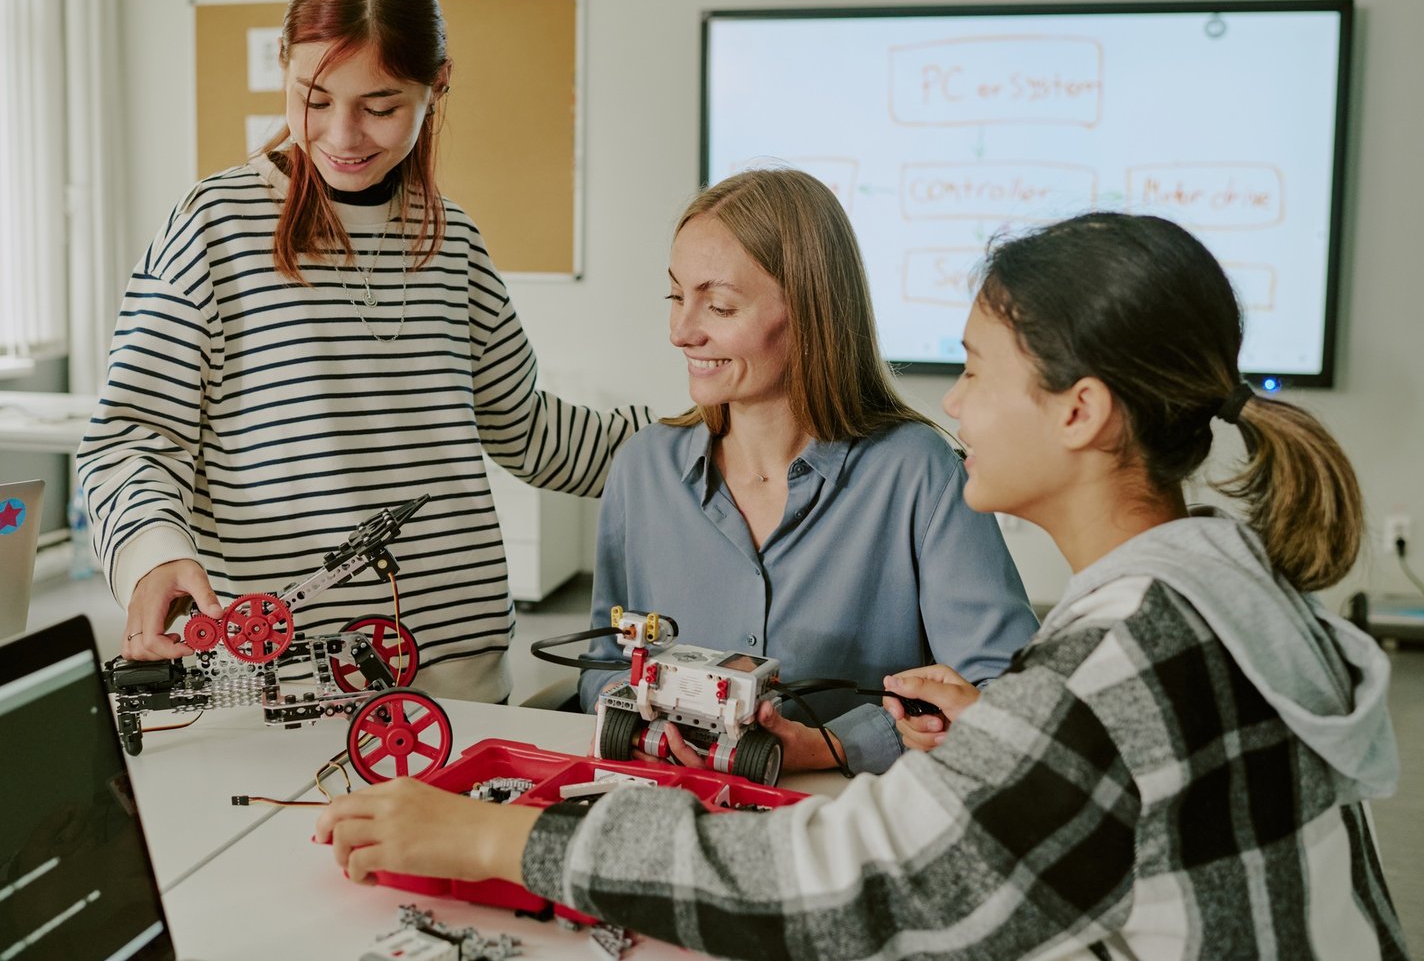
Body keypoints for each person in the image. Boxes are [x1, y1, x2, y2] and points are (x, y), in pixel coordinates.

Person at [315, 212, 1406, 959]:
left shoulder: (1104, 658)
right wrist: (1011, 739)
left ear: (1079, 412)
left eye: (976, 372)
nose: (959, 406)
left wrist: (499, 842)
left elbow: (853, 882)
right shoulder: (1218, 585)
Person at [77, 0, 649, 704]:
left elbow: (531, 432)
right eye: (314, 98)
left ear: (435, 86)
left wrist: (704, 440)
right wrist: (152, 554)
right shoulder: (214, 227)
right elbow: (132, 438)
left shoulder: (454, 242)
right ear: (284, 63)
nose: (343, 136)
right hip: (279, 684)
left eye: (380, 107)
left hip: (458, 687)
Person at [577, 168, 1037, 775]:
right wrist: (636, 725)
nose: (680, 330)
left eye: (718, 304)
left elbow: (998, 695)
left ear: (812, 310)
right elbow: (603, 667)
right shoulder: (643, 469)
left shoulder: (919, 473)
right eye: (675, 296)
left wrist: (831, 746)